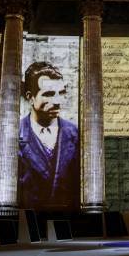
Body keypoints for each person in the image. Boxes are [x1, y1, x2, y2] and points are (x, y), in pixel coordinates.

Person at [18, 61, 79, 210]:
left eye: (61, 93)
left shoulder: (77, 134)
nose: (58, 101)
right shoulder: (14, 135)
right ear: (30, 97)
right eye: (49, 94)